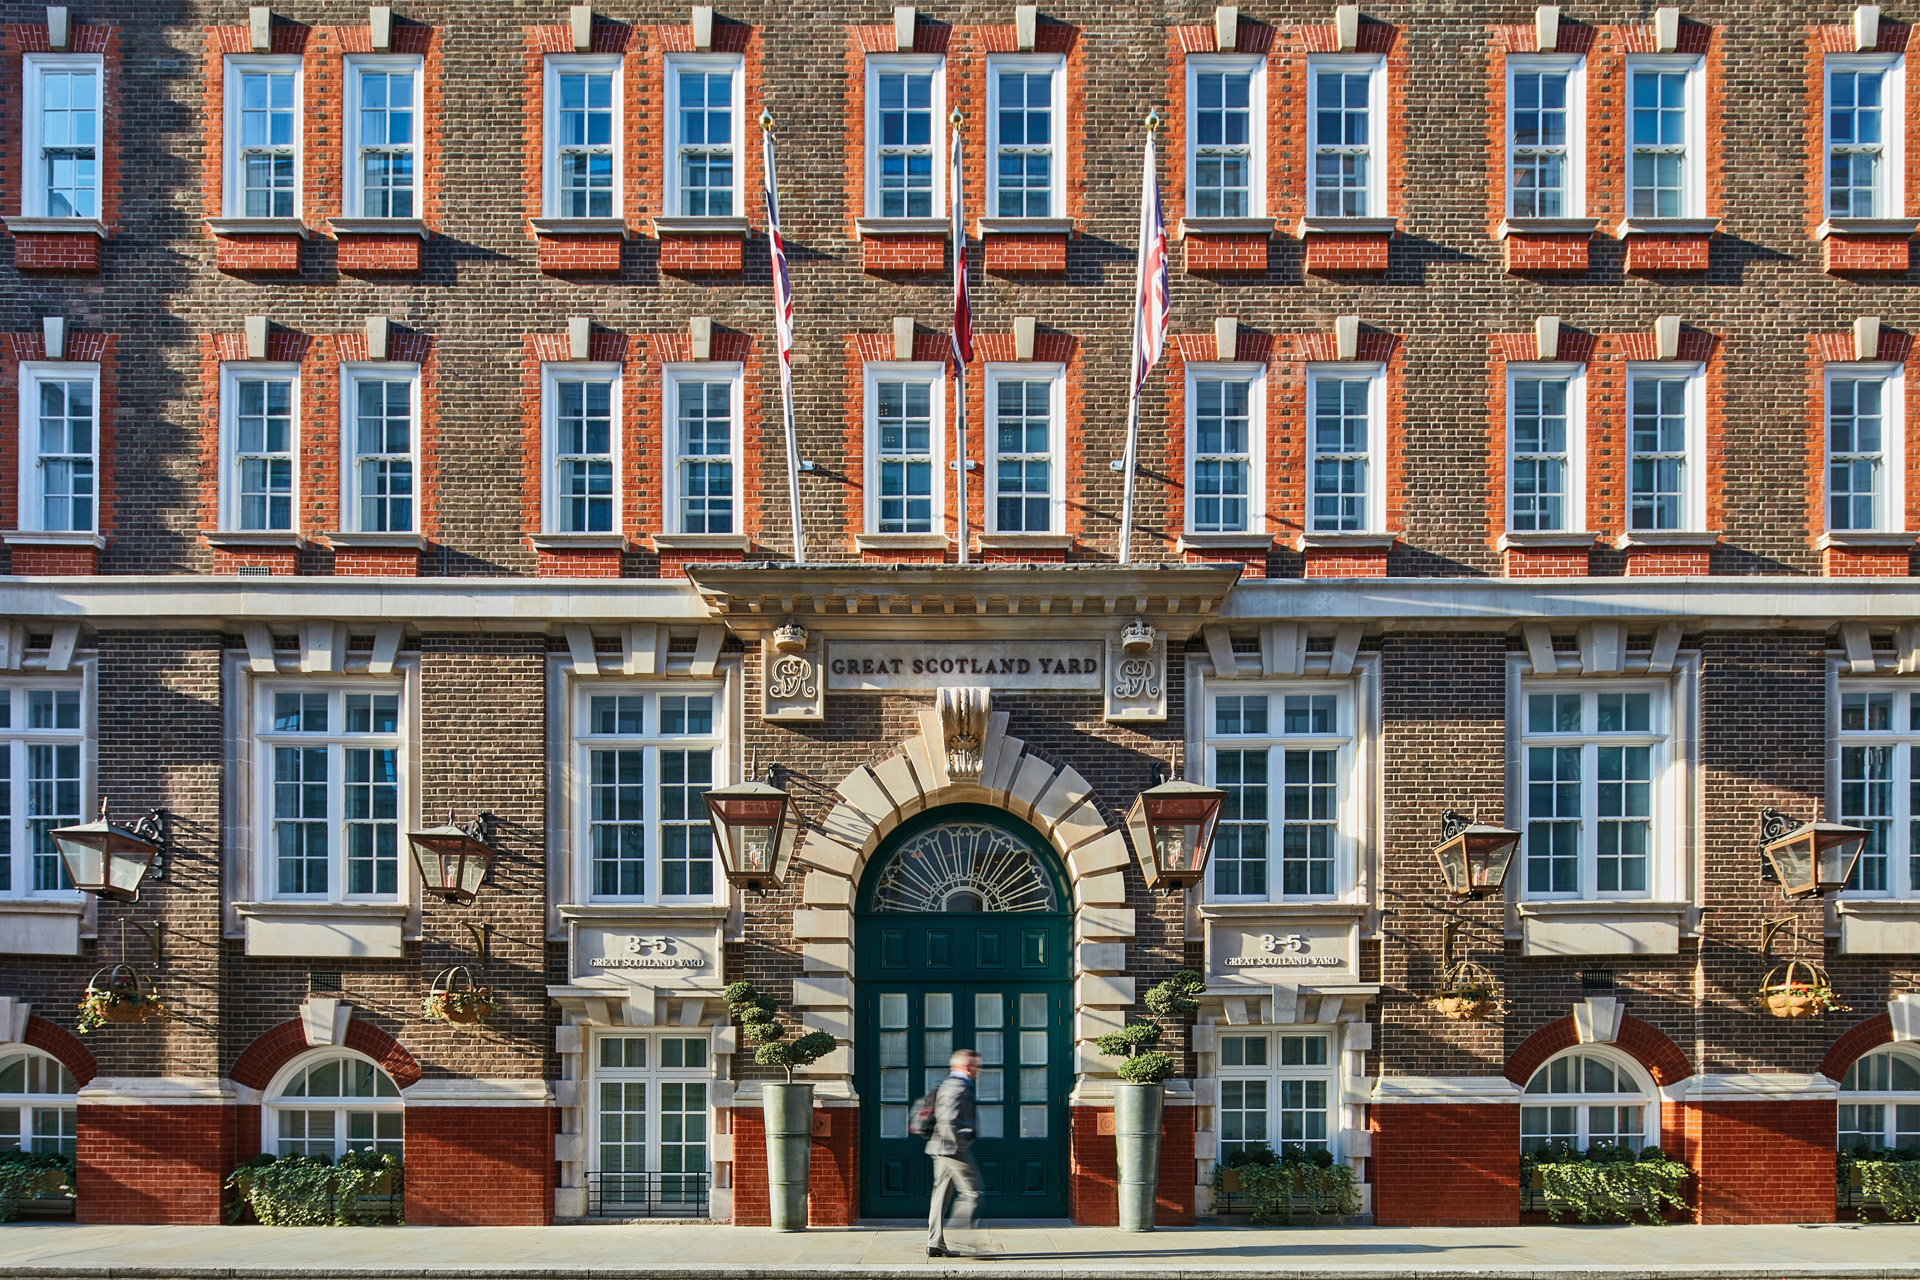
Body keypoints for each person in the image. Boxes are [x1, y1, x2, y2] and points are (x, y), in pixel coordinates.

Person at [926, 1048, 983, 1258]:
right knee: (972, 1193)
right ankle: (962, 1236)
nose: (979, 1070)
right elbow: (948, 1118)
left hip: (940, 1148)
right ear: (966, 1067)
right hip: (951, 1148)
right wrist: (958, 1147)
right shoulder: (958, 1085)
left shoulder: (950, 1083)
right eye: (976, 1065)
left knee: (940, 1196)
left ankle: (935, 1243)